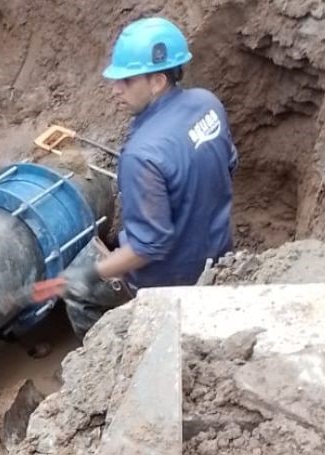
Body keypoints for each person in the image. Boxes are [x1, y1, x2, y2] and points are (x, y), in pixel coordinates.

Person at [48, 17, 238, 337]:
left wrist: (88, 274)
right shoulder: (208, 104)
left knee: (79, 290)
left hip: (170, 280)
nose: (115, 89)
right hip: (218, 251)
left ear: (157, 81)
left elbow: (147, 248)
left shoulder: (142, 154)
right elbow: (229, 164)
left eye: (126, 80)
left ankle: (113, 354)